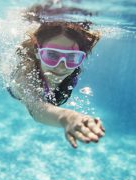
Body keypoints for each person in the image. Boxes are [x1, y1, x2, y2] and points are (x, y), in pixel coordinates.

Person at [7, 5, 105, 149]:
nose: (62, 65)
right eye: (52, 55)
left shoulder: (72, 72)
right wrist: (69, 118)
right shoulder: (25, 75)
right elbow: (37, 108)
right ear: (37, 52)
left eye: (72, 57)